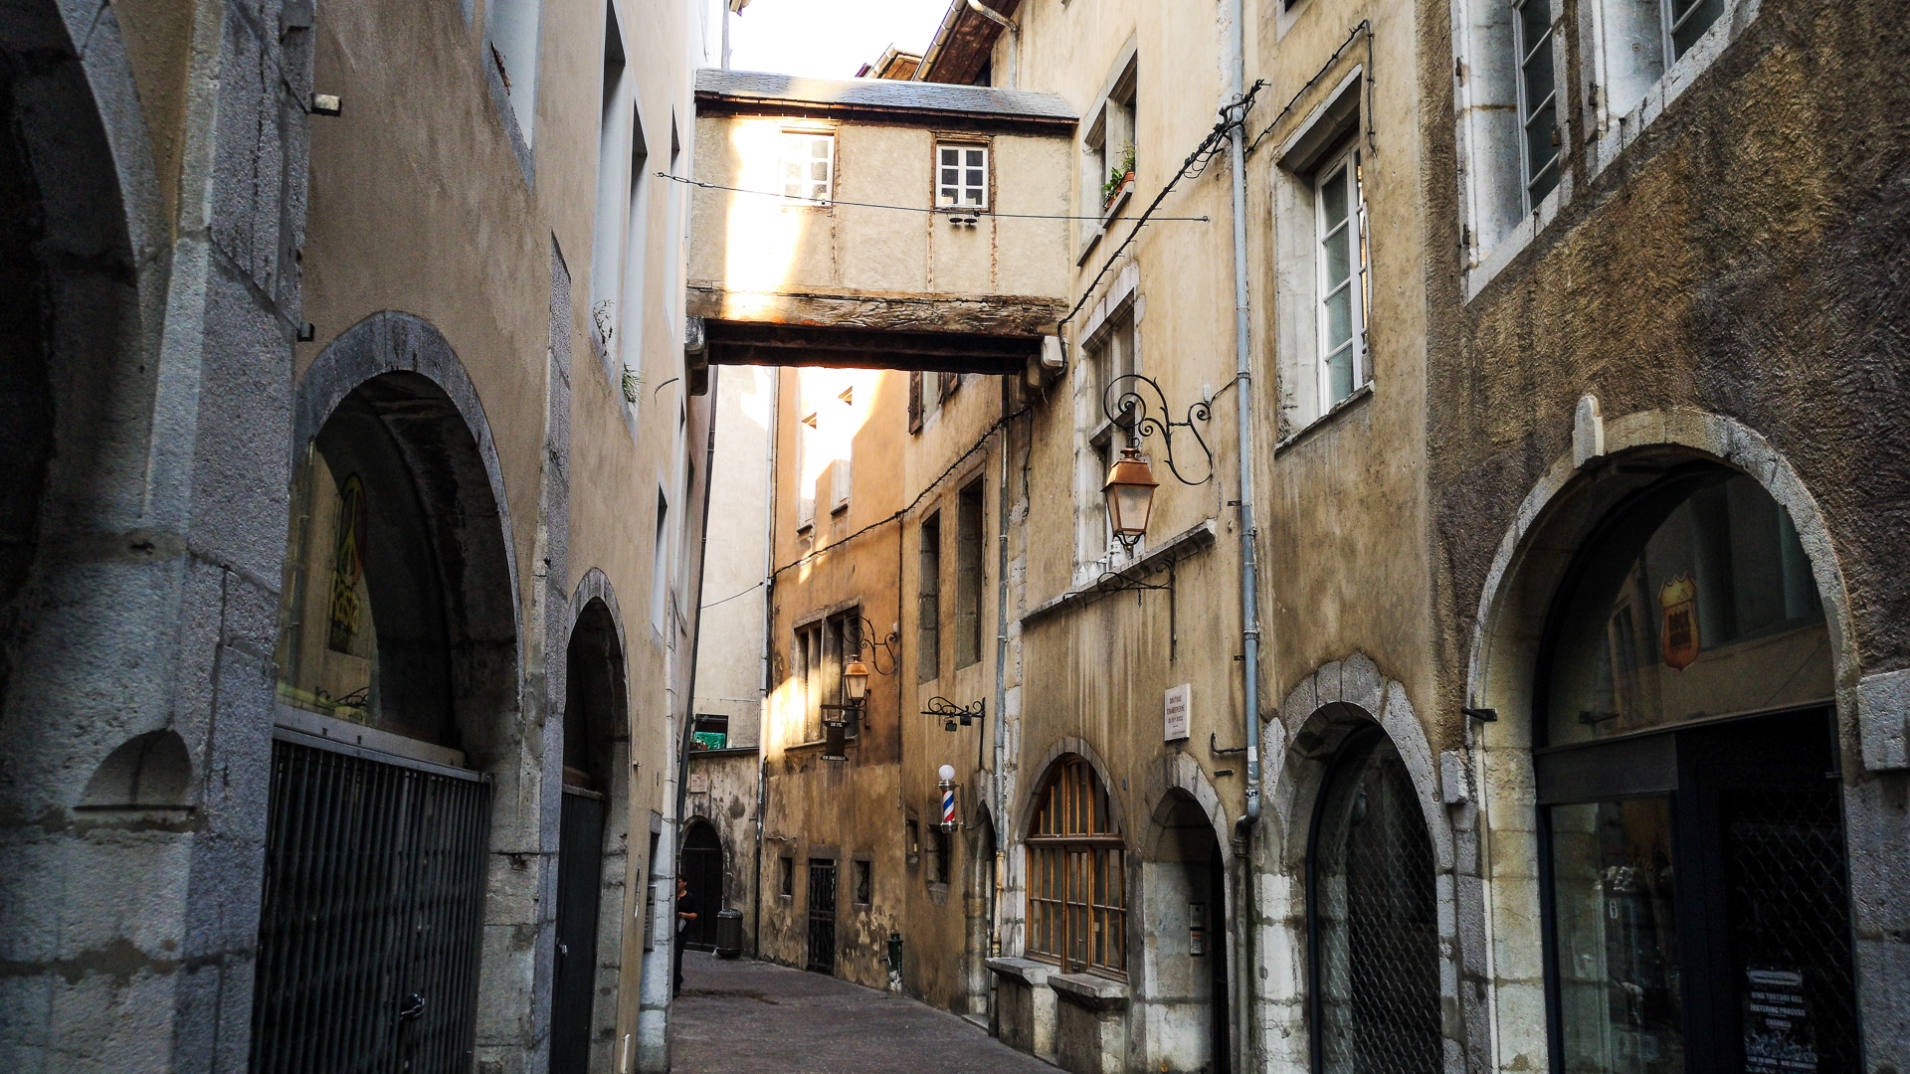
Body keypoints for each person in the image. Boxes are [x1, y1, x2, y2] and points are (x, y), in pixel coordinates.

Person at [673, 876, 696, 996]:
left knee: (677, 956)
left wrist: (683, 914)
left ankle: (676, 984)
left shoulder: (689, 898)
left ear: (685, 883)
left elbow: (694, 915)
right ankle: (676, 978)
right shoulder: (672, 896)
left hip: (682, 930)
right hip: (672, 929)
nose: (677, 884)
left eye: (679, 882)